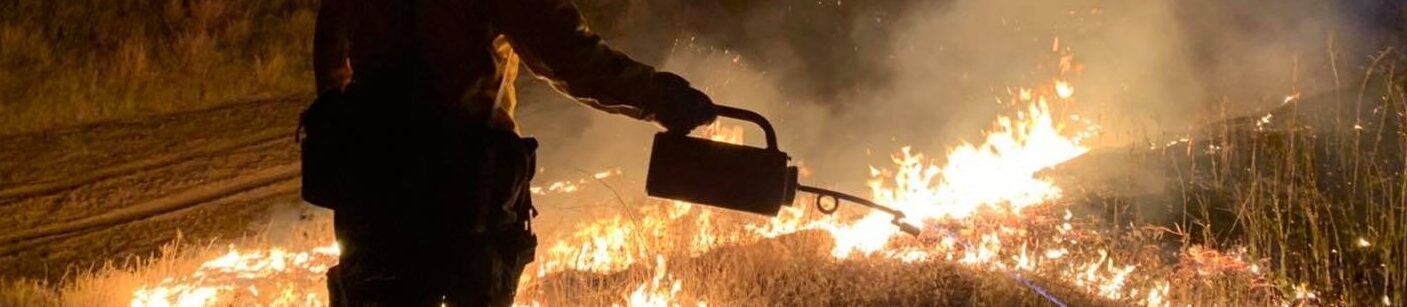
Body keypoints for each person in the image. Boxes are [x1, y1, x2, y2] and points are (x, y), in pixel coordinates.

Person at [299, 0, 718, 306]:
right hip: (464, 193)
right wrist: (660, 98)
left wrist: (346, 124)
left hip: (374, 187)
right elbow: (568, 56)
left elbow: (331, 48)